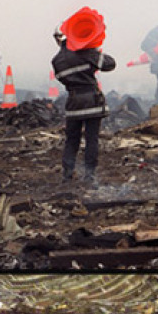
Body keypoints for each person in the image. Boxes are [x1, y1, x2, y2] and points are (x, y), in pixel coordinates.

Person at [52, 13, 116, 185]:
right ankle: (89, 175)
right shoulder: (86, 53)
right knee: (91, 138)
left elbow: (62, 78)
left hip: (73, 103)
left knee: (71, 139)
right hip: (92, 101)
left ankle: (67, 174)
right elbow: (110, 64)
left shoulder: (56, 61)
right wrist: (93, 51)